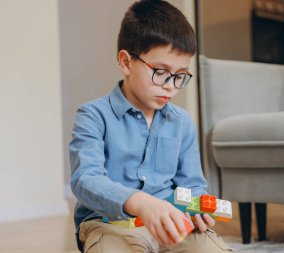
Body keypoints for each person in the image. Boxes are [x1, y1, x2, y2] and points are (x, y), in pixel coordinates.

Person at [69, 0, 234, 252]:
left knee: (211, 248)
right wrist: (140, 203)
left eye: (180, 75)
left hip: (172, 222)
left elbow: (192, 184)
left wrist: (197, 206)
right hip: (110, 223)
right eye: (161, 72)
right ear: (126, 62)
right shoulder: (93, 115)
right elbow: (86, 180)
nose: (171, 85)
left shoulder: (182, 122)